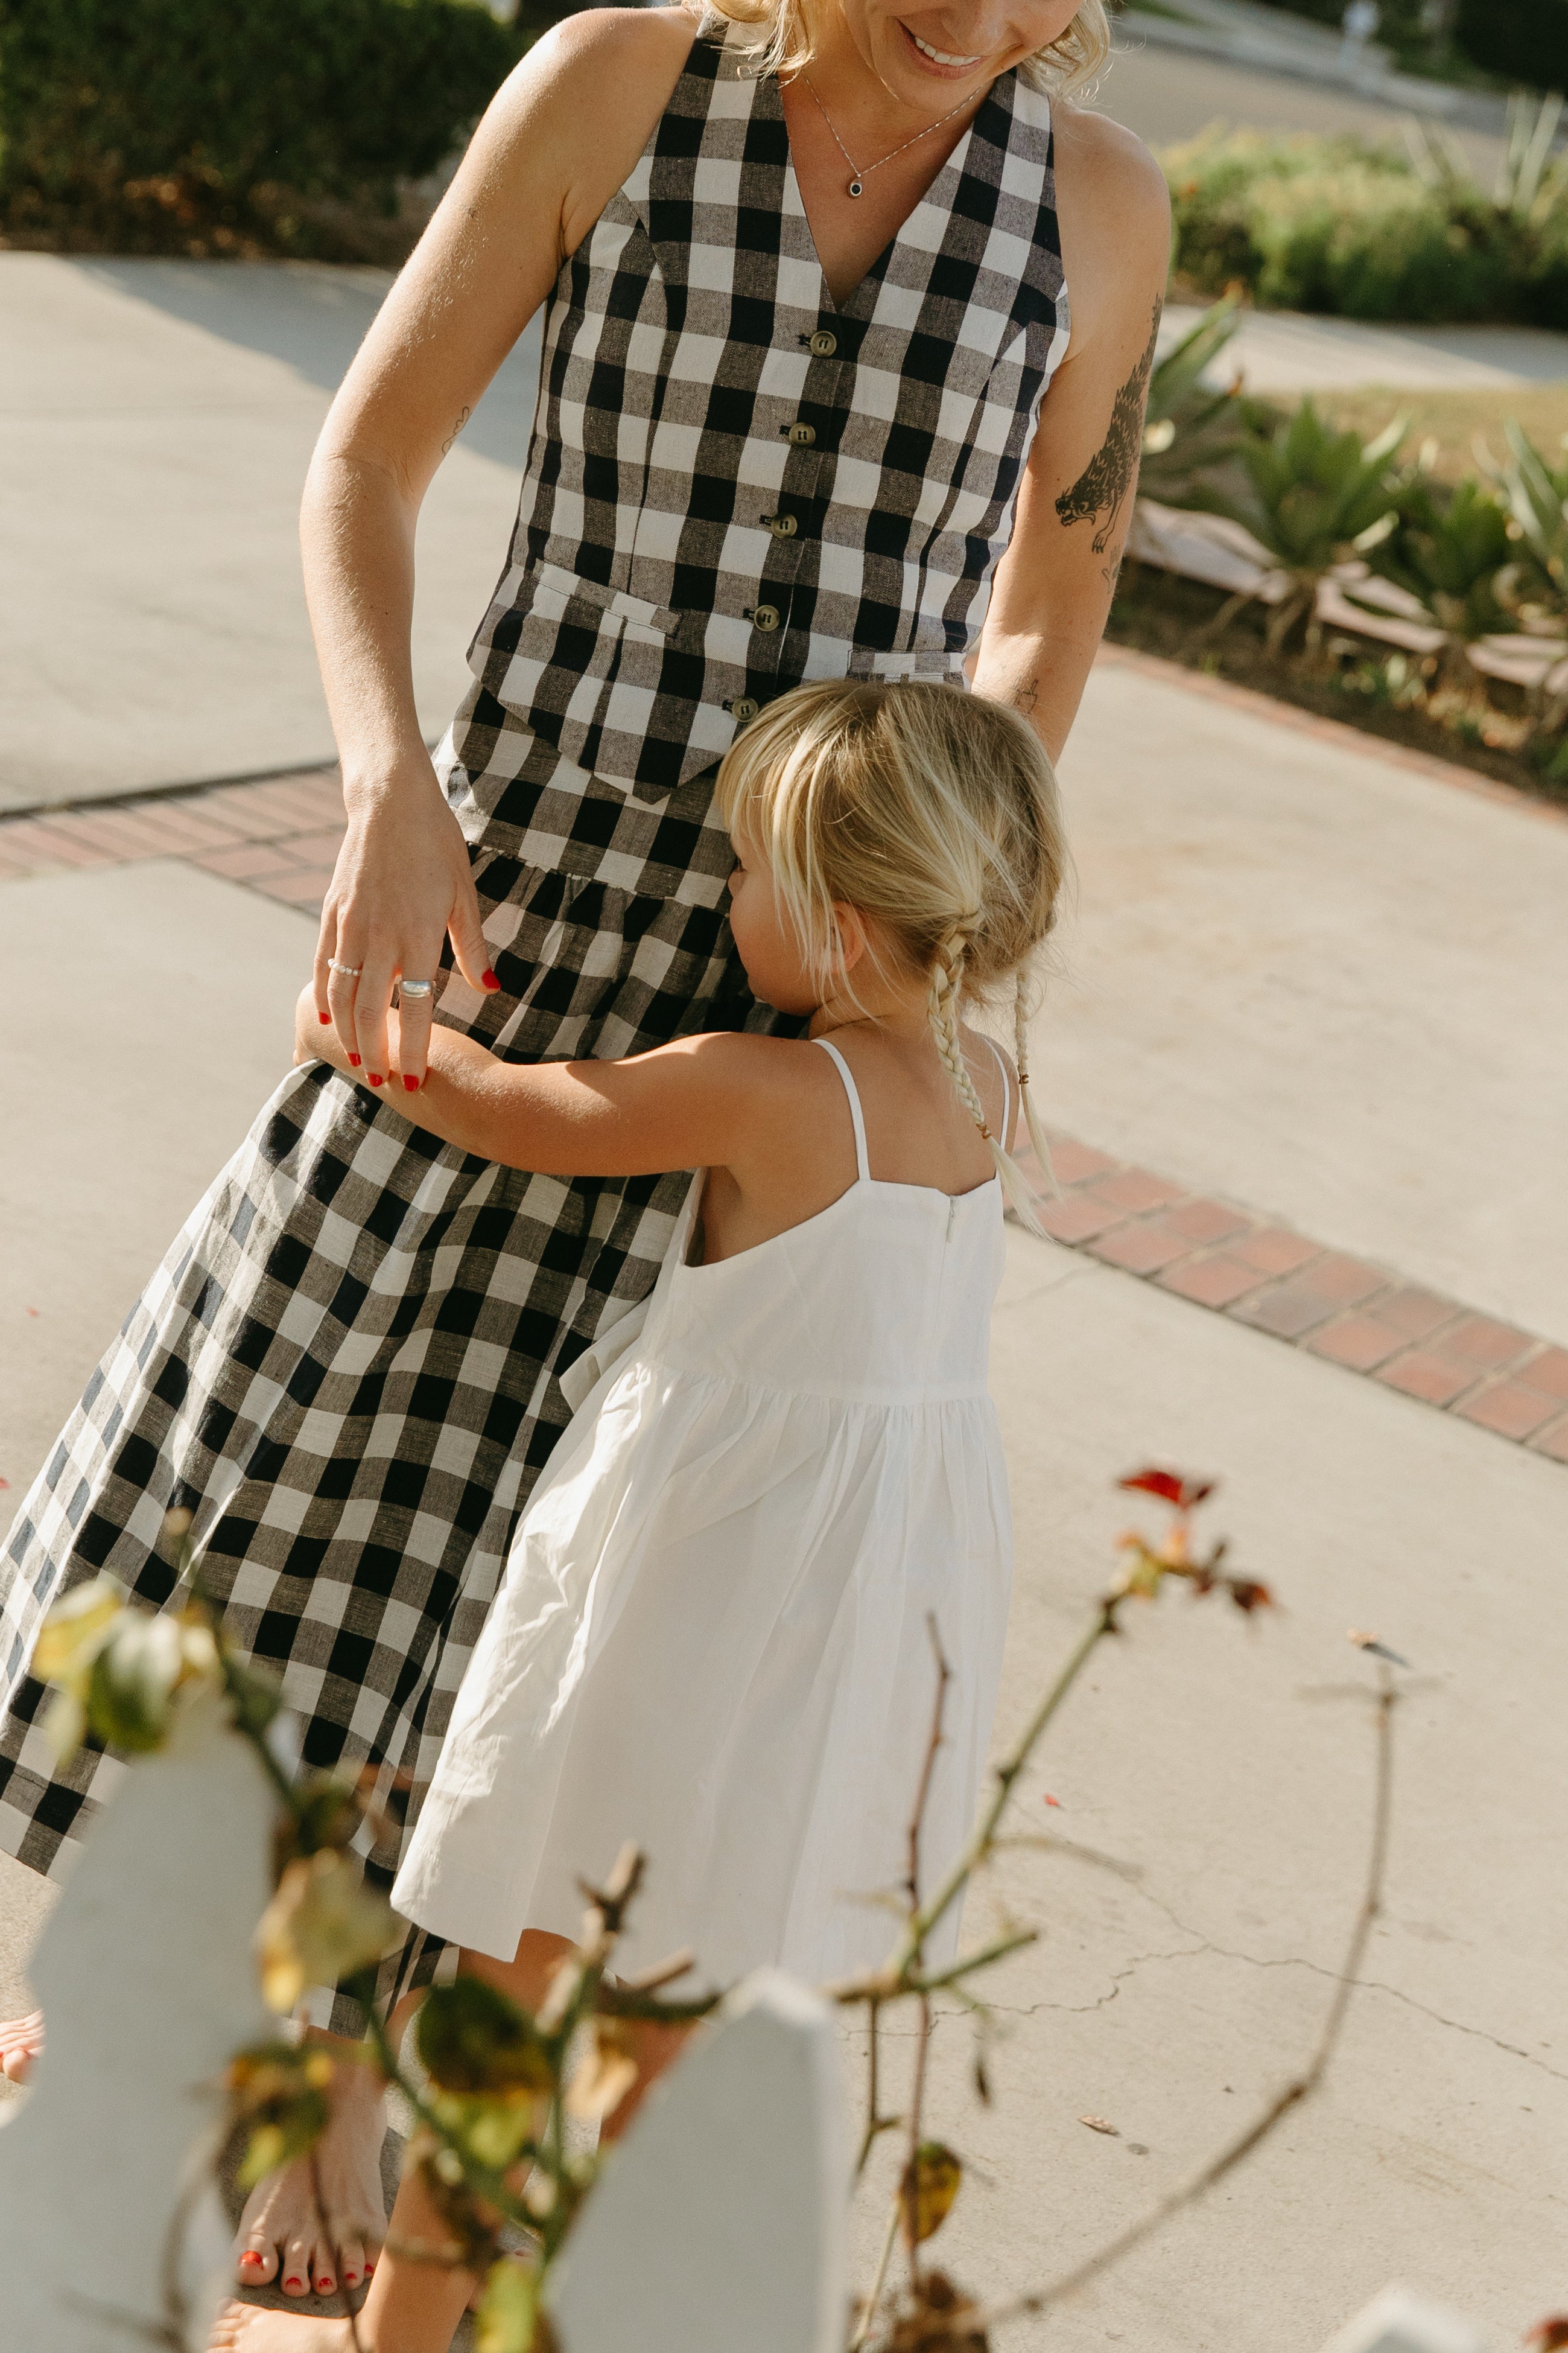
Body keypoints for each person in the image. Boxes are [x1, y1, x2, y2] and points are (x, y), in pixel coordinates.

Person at [0, 0, 1169, 2302]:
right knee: (329, 1462)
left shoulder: (1100, 210)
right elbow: (370, 461)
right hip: (499, 918)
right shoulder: (622, 82)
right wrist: (381, 780)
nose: (978, 16)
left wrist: (915, 884)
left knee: (587, 1566)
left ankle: (351, 2062)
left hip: (783, 992)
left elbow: (1050, 608)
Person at [214, 673, 1065, 2352]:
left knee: (503, 2015)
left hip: (685, 1608)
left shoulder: (760, 1087)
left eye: (745, 871)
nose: (721, 897)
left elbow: (516, 1112)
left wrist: (358, 1033)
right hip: (856, 1642)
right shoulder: (990, 1099)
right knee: (677, 2042)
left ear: (827, 917)